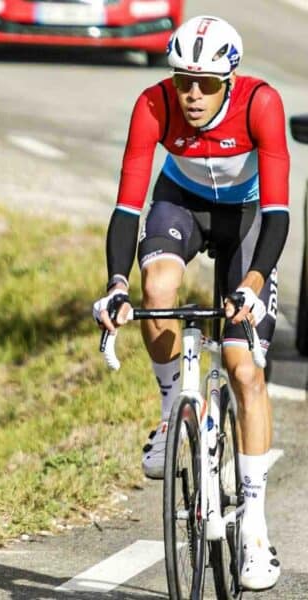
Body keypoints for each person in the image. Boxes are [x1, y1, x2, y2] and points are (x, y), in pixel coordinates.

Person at [92, 15, 289, 591]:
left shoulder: (261, 104)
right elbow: (129, 208)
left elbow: (277, 214)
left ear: (229, 79)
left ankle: (253, 522)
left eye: (206, 83)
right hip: (180, 204)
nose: (193, 95)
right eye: (184, 81)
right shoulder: (153, 104)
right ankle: (172, 408)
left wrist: (252, 283)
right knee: (155, 290)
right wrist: (115, 284)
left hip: (248, 220)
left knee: (242, 367)